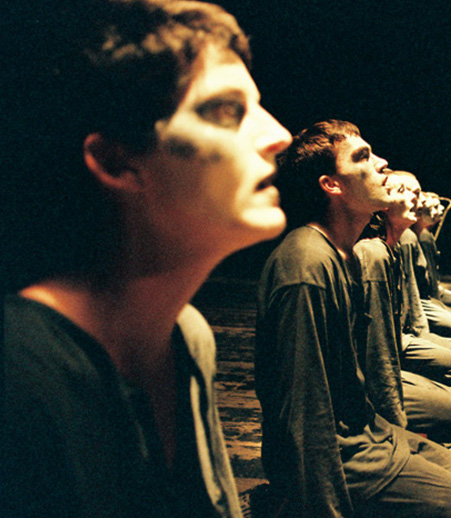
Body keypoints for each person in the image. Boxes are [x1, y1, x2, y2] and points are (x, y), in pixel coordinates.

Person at [2, 1, 292, 516]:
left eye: (258, 105)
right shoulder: (19, 377)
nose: (278, 135)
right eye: (226, 110)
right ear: (118, 162)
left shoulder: (187, 339)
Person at [256, 120, 451, 517]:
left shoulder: (345, 253)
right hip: (343, 455)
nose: (382, 163)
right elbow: (304, 408)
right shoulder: (306, 264)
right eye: (362, 157)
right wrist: (321, 505)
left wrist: (391, 432)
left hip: (368, 431)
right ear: (331, 185)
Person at [354, 175, 451, 444]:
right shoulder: (374, 252)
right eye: (404, 191)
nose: (417, 201)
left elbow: (415, 294)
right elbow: (378, 348)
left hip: (398, 343)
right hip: (373, 371)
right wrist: (395, 427)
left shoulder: (399, 242)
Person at [417, 191, 451, 319]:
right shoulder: (424, 236)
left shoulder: (427, 234)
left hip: (432, 290)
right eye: (434, 207)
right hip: (427, 294)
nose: (441, 209)